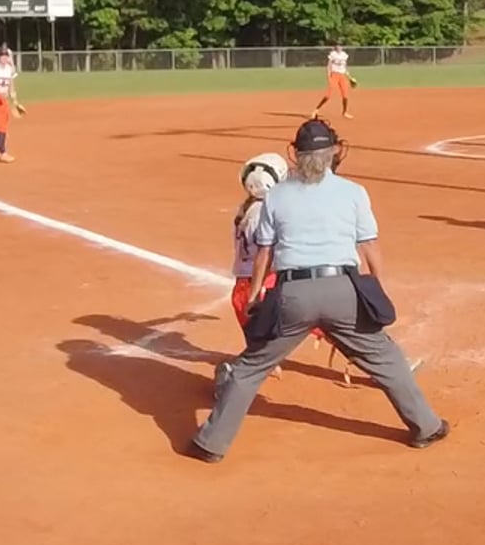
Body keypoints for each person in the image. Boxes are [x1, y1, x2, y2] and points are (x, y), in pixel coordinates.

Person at [186, 119, 448, 462]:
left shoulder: (276, 196)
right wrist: (377, 285)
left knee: (250, 367)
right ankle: (426, 426)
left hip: (293, 295)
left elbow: (265, 252)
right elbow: (369, 245)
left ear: (295, 154)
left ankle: (211, 443)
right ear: (334, 152)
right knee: (387, 359)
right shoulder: (354, 192)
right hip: (343, 290)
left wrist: (254, 295)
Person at [228, 153, 352, 388]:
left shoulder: (244, 210)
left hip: (241, 289)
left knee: (259, 343)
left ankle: (261, 366)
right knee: (326, 319)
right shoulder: (266, 213)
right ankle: (368, 357)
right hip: (267, 285)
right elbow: (274, 249)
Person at [312, 42, 355, 120]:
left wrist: (349, 77)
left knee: (345, 96)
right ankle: (316, 109)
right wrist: (328, 75)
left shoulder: (344, 55)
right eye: (337, 46)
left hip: (342, 76)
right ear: (335, 47)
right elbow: (329, 65)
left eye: (340, 46)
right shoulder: (333, 54)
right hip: (334, 75)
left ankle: (344, 112)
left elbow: (345, 67)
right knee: (328, 96)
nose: (339, 47)